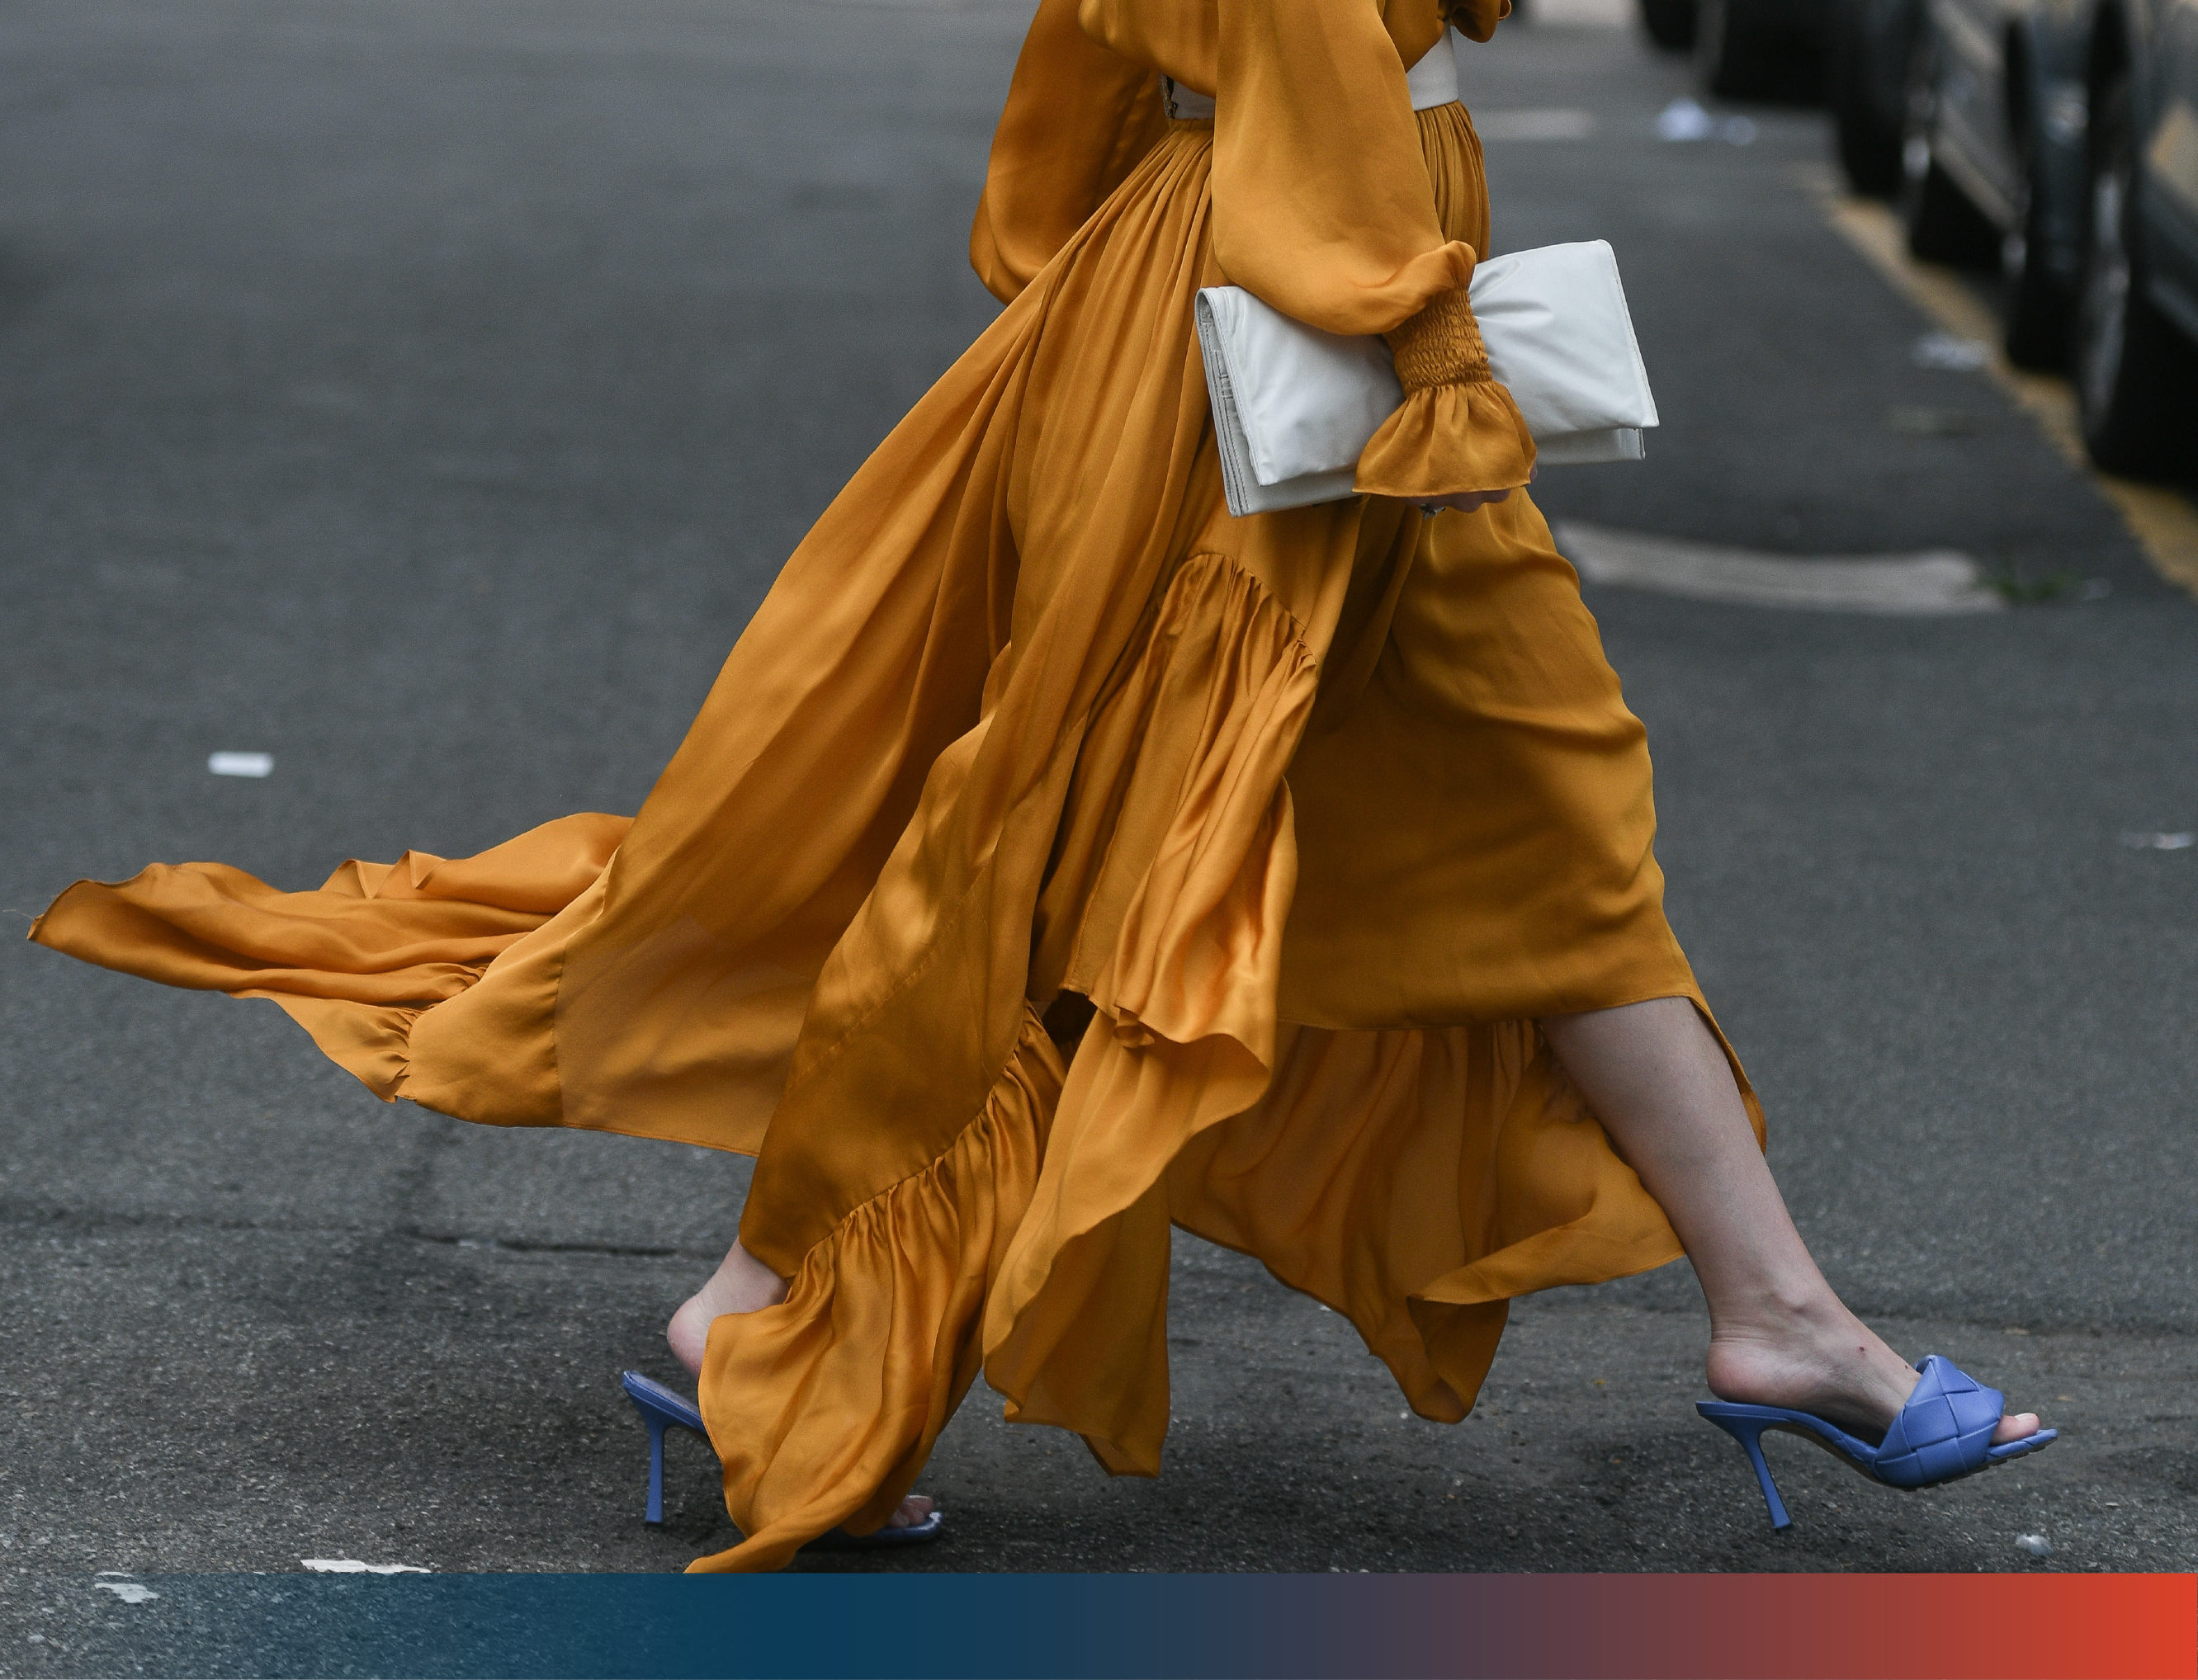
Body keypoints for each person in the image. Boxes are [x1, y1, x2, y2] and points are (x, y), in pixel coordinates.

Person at [30, 0, 2046, 1572]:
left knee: (1525, 817)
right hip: (1303, 349)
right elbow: (1296, 99)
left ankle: (1777, 1310)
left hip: (1283, 330)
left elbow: (1096, 107)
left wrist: (1182, 299)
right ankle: (753, 1309)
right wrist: (1415, 337)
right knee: (1103, 859)